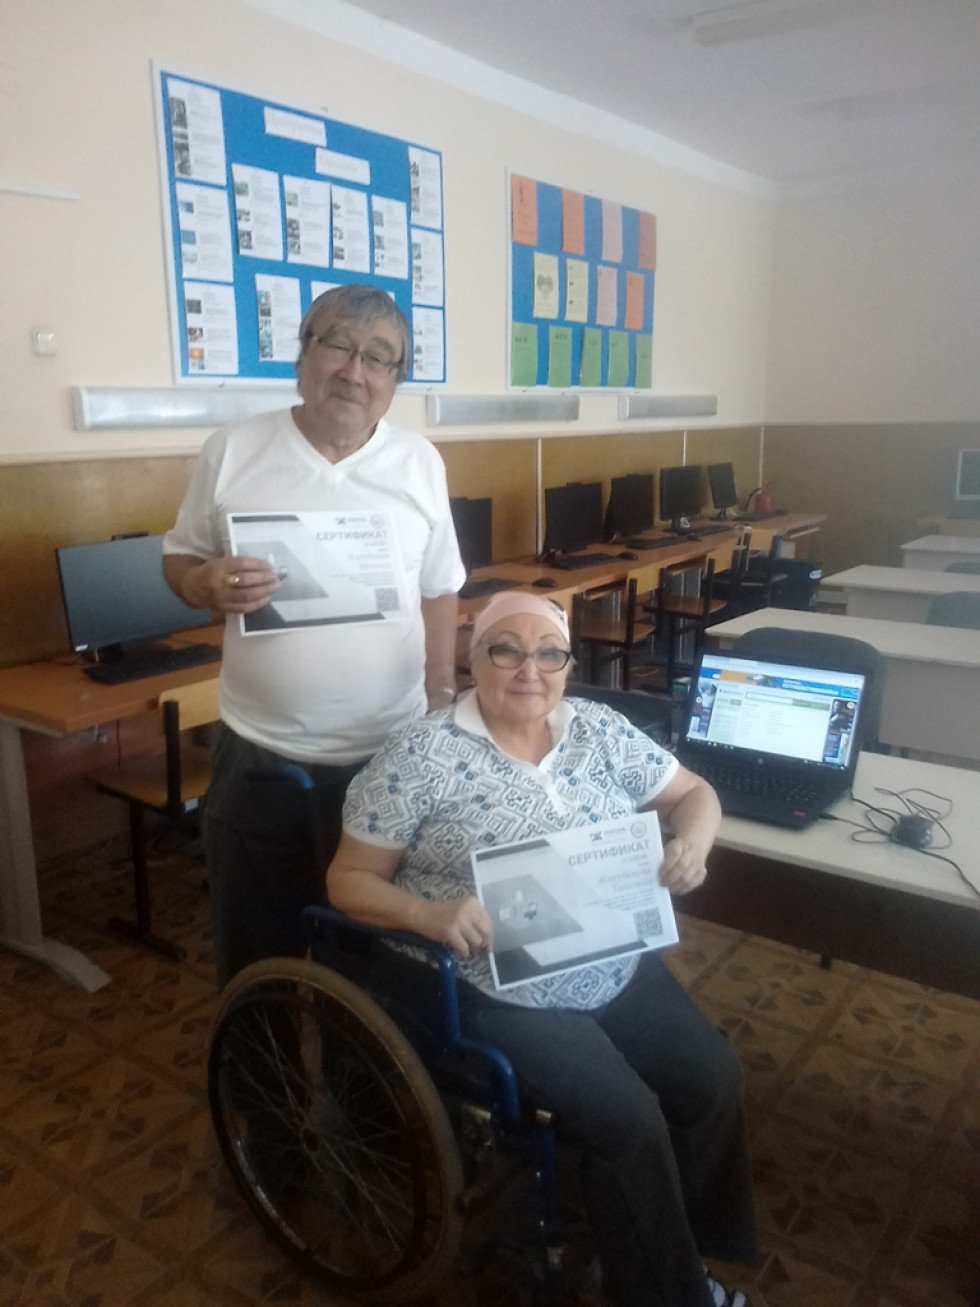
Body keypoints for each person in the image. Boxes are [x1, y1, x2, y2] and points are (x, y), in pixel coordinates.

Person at [327, 590, 759, 1307]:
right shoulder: (419, 754)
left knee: (713, 1079)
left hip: (612, 954)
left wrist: (693, 843)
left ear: (567, 664)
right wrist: (426, 913)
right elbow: (347, 880)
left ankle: (682, 1240)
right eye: (507, 649)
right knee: (628, 1121)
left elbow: (696, 794)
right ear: (474, 660)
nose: (530, 669)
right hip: (500, 980)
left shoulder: (598, 728)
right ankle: (670, 1293)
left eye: (549, 653)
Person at [162, 283, 465, 987]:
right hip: (259, 755)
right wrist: (201, 583)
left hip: (388, 758)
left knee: (370, 960)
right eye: (337, 346)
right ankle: (258, 1062)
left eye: (378, 357)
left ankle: (352, 1063)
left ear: (395, 379)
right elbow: (179, 558)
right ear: (302, 355)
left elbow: (440, 586)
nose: (354, 371)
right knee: (255, 955)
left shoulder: (418, 462)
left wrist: (441, 693)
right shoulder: (233, 448)